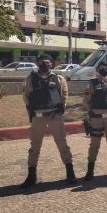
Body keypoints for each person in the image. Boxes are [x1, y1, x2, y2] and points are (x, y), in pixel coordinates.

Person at [20, 54, 76, 188]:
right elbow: (26, 96)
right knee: (34, 147)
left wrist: (63, 107)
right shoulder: (30, 79)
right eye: (42, 62)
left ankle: (70, 173)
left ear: (52, 63)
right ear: (38, 64)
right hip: (38, 117)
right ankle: (31, 176)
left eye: (47, 62)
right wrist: (31, 113)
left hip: (54, 116)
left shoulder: (58, 78)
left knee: (62, 144)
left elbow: (64, 93)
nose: (45, 64)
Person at [82, 61, 107, 180]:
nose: (103, 69)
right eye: (101, 68)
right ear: (98, 70)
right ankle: (90, 170)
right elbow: (86, 100)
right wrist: (90, 110)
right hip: (96, 118)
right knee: (94, 144)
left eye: (106, 68)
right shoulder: (92, 84)